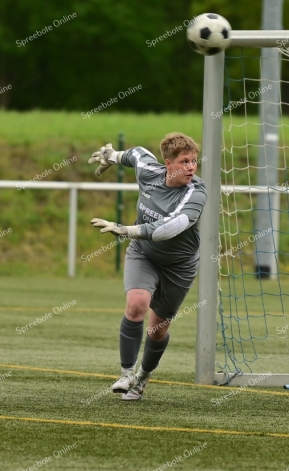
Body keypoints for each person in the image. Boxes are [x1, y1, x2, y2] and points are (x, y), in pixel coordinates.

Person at [87, 132, 207, 400]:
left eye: (194, 161)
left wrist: (126, 229)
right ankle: (127, 373)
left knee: (158, 328)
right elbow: (135, 153)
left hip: (179, 266)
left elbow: (171, 227)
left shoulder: (196, 192)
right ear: (168, 163)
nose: (191, 168)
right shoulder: (150, 171)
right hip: (145, 254)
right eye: (185, 162)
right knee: (136, 305)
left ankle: (142, 377)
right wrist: (111, 156)